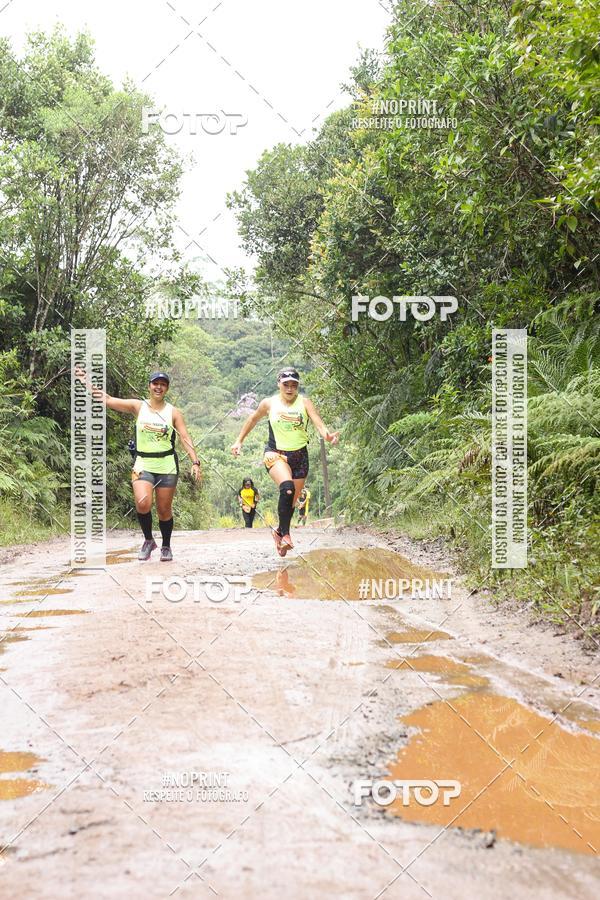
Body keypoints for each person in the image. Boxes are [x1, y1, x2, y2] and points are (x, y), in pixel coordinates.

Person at [74, 368, 201, 561]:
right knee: (142, 502)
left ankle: (166, 546)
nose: (158, 387)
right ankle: (148, 540)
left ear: (167, 389)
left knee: (164, 509)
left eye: (163, 385)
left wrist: (195, 461)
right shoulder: (138, 406)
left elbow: (184, 437)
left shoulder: (173, 412)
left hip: (166, 465)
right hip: (143, 463)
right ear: (149, 386)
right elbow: (107, 399)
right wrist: (85, 381)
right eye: (155, 384)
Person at [231, 368, 339, 556]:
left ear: (298, 386)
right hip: (276, 454)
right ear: (279, 384)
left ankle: (279, 533)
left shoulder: (305, 403)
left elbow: (318, 423)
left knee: (291, 503)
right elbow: (252, 419)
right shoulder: (268, 403)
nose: (290, 389)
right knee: (287, 488)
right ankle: (286, 536)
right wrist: (239, 441)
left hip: (300, 457)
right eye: (286, 384)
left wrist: (327, 436)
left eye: (293, 385)